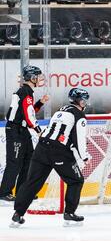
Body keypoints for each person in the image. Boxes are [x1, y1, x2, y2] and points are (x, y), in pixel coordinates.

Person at [10, 88, 90, 227]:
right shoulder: (79, 115)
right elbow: (79, 139)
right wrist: (84, 157)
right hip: (58, 151)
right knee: (76, 181)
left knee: (32, 182)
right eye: (84, 100)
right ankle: (69, 213)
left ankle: (18, 214)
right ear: (80, 101)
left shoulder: (59, 110)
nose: (85, 103)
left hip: (41, 148)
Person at [0, 66, 49, 203]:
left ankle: (23, 192)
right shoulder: (25, 92)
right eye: (38, 76)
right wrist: (39, 130)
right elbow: (28, 116)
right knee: (14, 162)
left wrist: (40, 103)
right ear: (32, 78)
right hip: (15, 131)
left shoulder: (27, 92)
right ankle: (4, 192)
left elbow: (28, 112)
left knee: (29, 160)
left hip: (21, 130)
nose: (40, 79)